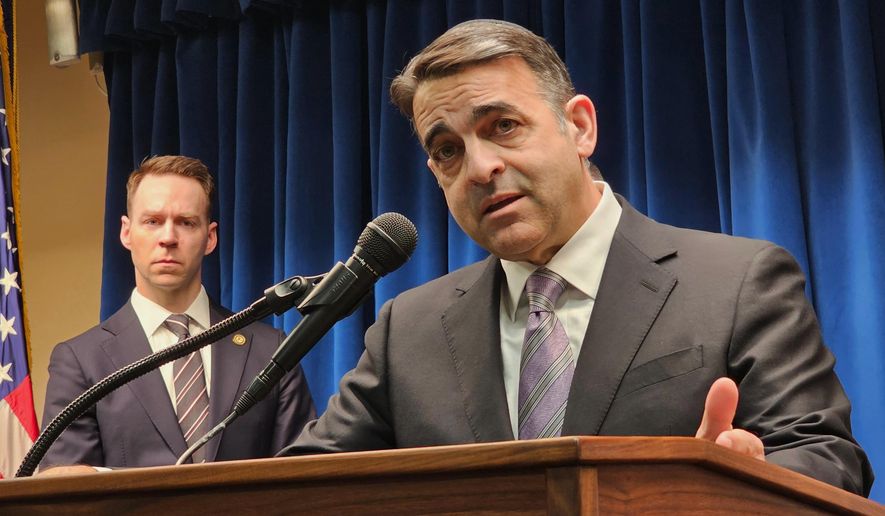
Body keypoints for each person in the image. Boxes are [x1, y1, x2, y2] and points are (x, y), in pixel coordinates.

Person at [280, 19, 873, 496]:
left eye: (503, 126)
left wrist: (735, 485)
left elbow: (826, 455)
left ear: (580, 126)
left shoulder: (738, 281)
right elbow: (301, 490)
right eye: (447, 150)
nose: (480, 168)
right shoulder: (408, 329)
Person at [41, 155, 315, 470]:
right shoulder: (80, 361)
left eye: (186, 222)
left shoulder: (271, 351)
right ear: (127, 232)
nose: (168, 238)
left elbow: (301, 479)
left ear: (210, 237)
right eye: (153, 221)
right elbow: (67, 488)